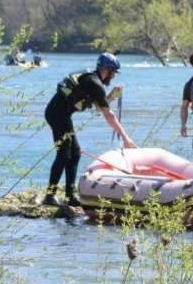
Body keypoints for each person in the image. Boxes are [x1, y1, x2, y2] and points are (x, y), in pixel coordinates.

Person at [43, 52, 136, 206]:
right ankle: (50, 196)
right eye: (113, 73)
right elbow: (108, 115)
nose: (113, 77)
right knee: (64, 154)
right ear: (107, 70)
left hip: (60, 114)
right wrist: (126, 139)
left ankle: (69, 196)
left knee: (75, 153)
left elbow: (100, 107)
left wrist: (112, 96)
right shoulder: (95, 84)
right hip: (57, 114)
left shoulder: (91, 79)